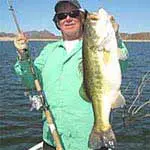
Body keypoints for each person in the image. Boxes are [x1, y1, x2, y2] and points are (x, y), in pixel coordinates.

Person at [14, 0, 128, 150]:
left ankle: (102, 127)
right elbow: (30, 81)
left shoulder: (101, 46)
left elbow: (122, 63)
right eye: (62, 16)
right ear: (57, 23)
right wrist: (23, 56)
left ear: (81, 18)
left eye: (73, 14)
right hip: (52, 137)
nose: (68, 18)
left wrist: (116, 36)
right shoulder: (49, 51)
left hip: (86, 141)